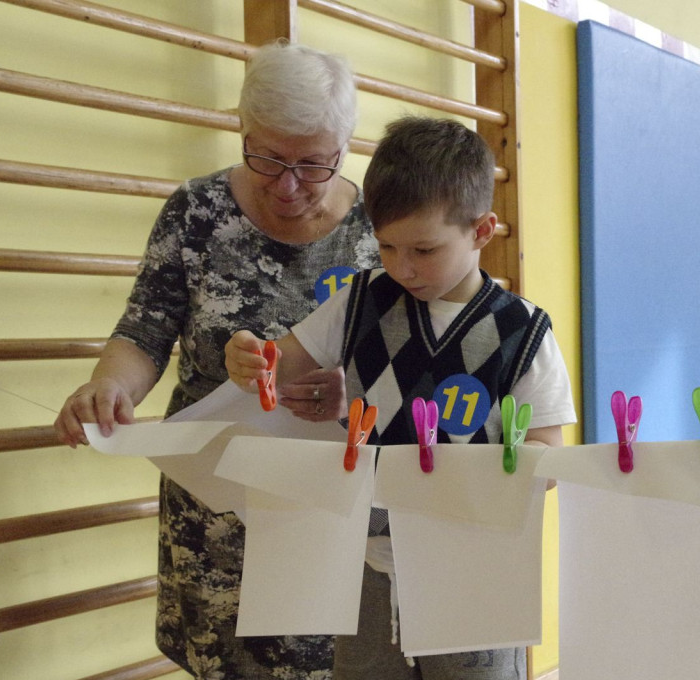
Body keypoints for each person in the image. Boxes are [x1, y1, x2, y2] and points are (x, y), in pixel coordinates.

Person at [53, 42, 380, 679]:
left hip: (325, 503)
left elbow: (403, 368)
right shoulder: (198, 211)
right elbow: (145, 329)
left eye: (313, 165)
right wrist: (107, 386)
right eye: (267, 157)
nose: (287, 185)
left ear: (345, 148)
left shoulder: (377, 233)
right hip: (215, 502)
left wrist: (347, 390)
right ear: (242, 129)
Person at [224, 116, 576, 679]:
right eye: (386, 246)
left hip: (475, 572)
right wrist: (245, 354)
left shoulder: (523, 330)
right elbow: (276, 361)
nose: (402, 267)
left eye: (424, 249)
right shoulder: (361, 299)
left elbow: (547, 454)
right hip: (369, 566)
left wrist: (481, 476)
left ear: (482, 231)